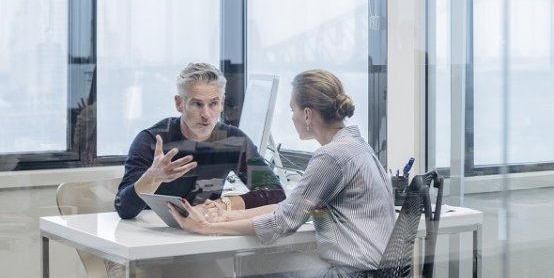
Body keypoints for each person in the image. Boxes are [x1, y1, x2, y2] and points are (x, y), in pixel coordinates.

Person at [168, 69, 395, 278]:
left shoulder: (331, 157)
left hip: (352, 274)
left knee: (250, 262)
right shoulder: (356, 145)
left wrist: (207, 227)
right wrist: (227, 215)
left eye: (292, 109)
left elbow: (283, 222)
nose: (291, 116)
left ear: (307, 114)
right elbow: (291, 208)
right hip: (374, 269)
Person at [115, 62, 286, 219]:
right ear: (179, 103)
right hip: (153, 235)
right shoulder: (152, 140)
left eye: (213, 103)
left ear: (222, 103)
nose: (206, 114)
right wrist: (151, 178)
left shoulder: (234, 140)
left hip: (203, 231)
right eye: (197, 104)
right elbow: (124, 208)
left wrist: (223, 204)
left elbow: (275, 193)